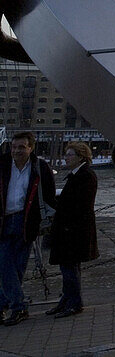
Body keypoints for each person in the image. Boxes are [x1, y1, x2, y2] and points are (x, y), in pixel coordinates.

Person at [0, 131, 56, 326]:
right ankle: (18, 306)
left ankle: (4, 306)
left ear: (31, 148)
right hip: (4, 221)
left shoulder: (40, 167)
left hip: (26, 223)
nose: (16, 151)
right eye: (14, 147)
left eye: (21, 147)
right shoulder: (3, 164)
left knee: (17, 267)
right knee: (4, 265)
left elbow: (49, 196)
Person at [46, 142, 98, 318]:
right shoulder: (78, 175)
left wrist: (66, 223)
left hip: (73, 231)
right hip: (70, 229)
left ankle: (74, 302)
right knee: (69, 267)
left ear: (80, 157)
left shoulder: (85, 176)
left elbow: (81, 205)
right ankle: (67, 300)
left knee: (69, 267)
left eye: (70, 155)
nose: (65, 158)